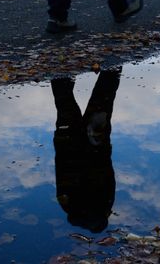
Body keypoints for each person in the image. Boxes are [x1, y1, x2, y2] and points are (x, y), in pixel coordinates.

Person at [51, 68, 121, 233]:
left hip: (95, 149)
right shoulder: (69, 207)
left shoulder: (103, 207)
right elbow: (62, 174)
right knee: (65, 104)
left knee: (102, 101)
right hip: (69, 149)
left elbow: (109, 176)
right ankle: (61, 68)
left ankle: (112, 66)